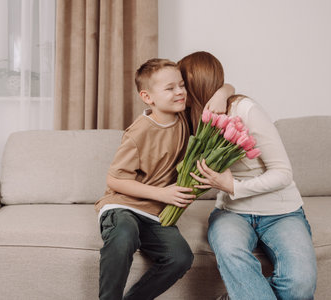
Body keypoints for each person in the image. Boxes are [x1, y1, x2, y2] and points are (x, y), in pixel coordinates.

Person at [179, 51, 317, 300]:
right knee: (232, 254)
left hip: (282, 212)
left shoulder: (245, 109)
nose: (178, 92)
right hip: (232, 213)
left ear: (194, 87)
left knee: (299, 285)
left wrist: (234, 186)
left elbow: (283, 173)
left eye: (181, 86)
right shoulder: (190, 119)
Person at [95, 58, 232, 300]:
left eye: (181, 85)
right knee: (124, 235)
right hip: (123, 206)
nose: (180, 92)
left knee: (180, 257)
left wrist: (223, 93)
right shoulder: (139, 132)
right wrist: (162, 194)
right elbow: (115, 180)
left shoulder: (185, 118)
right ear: (148, 97)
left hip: (154, 214)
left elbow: (229, 88)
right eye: (170, 89)